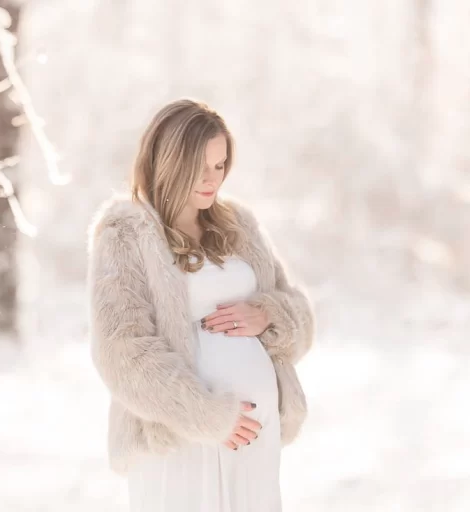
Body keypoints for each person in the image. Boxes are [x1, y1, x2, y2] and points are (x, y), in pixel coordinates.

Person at [87, 98, 315, 512]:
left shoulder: (238, 226)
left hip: (254, 438)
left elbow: (298, 309)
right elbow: (122, 350)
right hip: (180, 439)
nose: (213, 179)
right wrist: (207, 416)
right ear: (170, 160)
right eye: (201, 166)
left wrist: (268, 315)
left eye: (220, 165)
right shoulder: (127, 234)